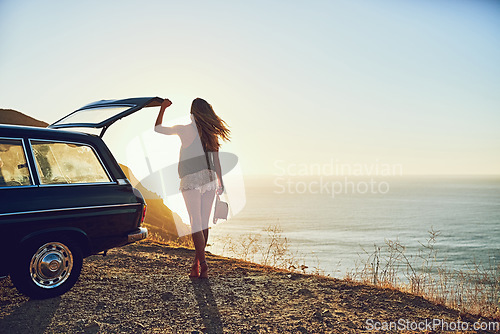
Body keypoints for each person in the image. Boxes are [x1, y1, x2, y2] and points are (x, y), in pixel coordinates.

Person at [154, 98, 230, 279]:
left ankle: (202, 264)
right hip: (209, 178)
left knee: (195, 221)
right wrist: (220, 182)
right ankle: (197, 265)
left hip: (191, 179)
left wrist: (163, 108)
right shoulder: (212, 134)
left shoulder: (183, 129)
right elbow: (217, 162)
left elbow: (158, 128)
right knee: (204, 224)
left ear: (192, 112)